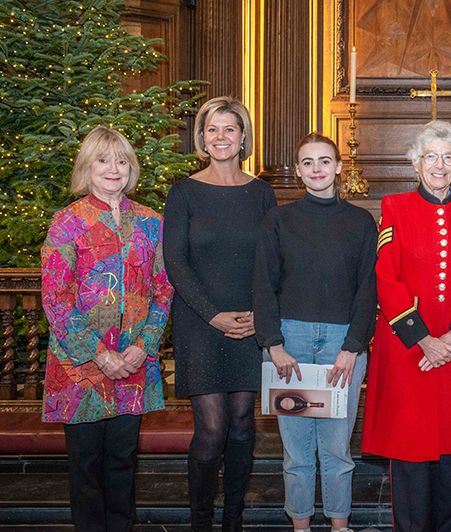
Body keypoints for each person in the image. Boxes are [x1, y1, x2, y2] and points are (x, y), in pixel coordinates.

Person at [361, 120, 451, 532]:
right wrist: (423, 340)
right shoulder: (395, 207)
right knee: (409, 454)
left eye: (447, 157)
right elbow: (386, 278)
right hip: (411, 352)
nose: (439, 165)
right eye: (430, 156)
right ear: (416, 163)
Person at [41, 126, 173, 532]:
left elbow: (163, 291)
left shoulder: (152, 223)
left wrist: (142, 348)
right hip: (79, 368)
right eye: (103, 159)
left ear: (130, 167)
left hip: (134, 365)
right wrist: (100, 354)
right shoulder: (67, 223)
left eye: (120, 160)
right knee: (85, 468)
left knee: (122, 463)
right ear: (87, 167)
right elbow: (56, 299)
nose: (112, 168)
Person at [253, 132, 378, 532]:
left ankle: (341, 527)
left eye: (324, 161)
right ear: (298, 170)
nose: (317, 169)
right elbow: (264, 284)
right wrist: (273, 343)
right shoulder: (278, 220)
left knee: (338, 450)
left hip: (342, 346)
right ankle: (301, 527)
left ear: (339, 167)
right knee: (297, 452)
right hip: (291, 343)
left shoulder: (361, 221)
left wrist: (353, 347)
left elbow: (368, 289)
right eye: (307, 162)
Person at [163, 96, 276, 532]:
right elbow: (176, 261)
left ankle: (234, 520)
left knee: (244, 424)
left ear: (243, 136)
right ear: (202, 138)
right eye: (212, 129)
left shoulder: (261, 191)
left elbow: (272, 261)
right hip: (200, 323)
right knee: (211, 431)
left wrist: (256, 314)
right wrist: (213, 316)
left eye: (230, 129)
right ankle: (200, 522)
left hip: (249, 322)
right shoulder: (184, 191)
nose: (221, 137)